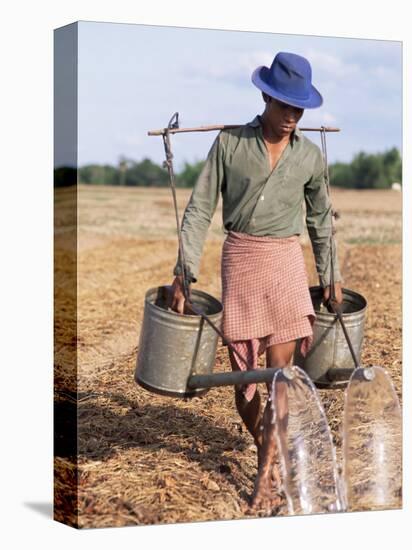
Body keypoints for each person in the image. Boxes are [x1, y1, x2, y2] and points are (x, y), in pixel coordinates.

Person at [169, 51, 343, 513]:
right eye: (285, 104)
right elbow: (200, 208)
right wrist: (183, 272)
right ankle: (270, 444)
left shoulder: (307, 156)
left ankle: (267, 478)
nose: (291, 116)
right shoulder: (229, 143)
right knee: (245, 384)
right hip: (242, 259)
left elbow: (322, 219)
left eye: (299, 108)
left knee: (279, 380)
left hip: (285, 262)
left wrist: (330, 275)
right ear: (266, 95)